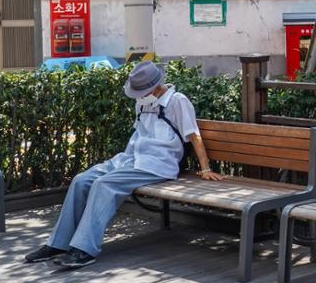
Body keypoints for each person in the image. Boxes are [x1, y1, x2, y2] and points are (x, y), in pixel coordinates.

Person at [24, 61, 222, 268]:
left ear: (155, 87)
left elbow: (194, 135)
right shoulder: (142, 102)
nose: (139, 95)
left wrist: (206, 169)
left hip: (157, 164)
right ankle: (58, 244)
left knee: (104, 184)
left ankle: (84, 250)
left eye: (142, 91)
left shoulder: (177, 101)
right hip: (131, 158)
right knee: (81, 180)